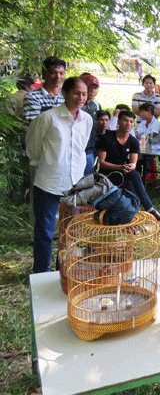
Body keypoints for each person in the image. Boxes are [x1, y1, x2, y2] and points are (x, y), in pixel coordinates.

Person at [25, 77, 93, 273]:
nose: (80, 98)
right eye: (76, 93)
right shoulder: (48, 118)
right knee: (45, 231)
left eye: (84, 94)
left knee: (71, 231)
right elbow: (33, 148)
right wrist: (51, 163)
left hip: (75, 184)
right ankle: (40, 271)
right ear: (64, 93)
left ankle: (64, 268)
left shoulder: (87, 119)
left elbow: (81, 147)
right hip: (49, 181)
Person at [97, 110, 160, 221]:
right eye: (125, 120)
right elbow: (101, 163)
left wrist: (129, 167)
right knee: (134, 177)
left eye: (131, 122)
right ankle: (149, 209)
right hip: (107, 173)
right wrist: (120, 167)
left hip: (124, 172)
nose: (128, 124)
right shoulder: (107, 138)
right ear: (118, 121)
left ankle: (133, 215)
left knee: (131, 181)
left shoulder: (133, 141)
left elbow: (133, 163)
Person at [24, 56, 66, 122]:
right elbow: (35, 124)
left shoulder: (68, 95)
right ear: (44, 74)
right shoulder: (33, 97)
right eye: (53, 73)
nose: (58, 77)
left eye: (61, 73)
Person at [83, 110, 111, 175]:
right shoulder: (90, 133)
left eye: (107, 120)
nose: (104, 123)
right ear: (96, 120)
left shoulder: (110, 135)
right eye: (101, 120)